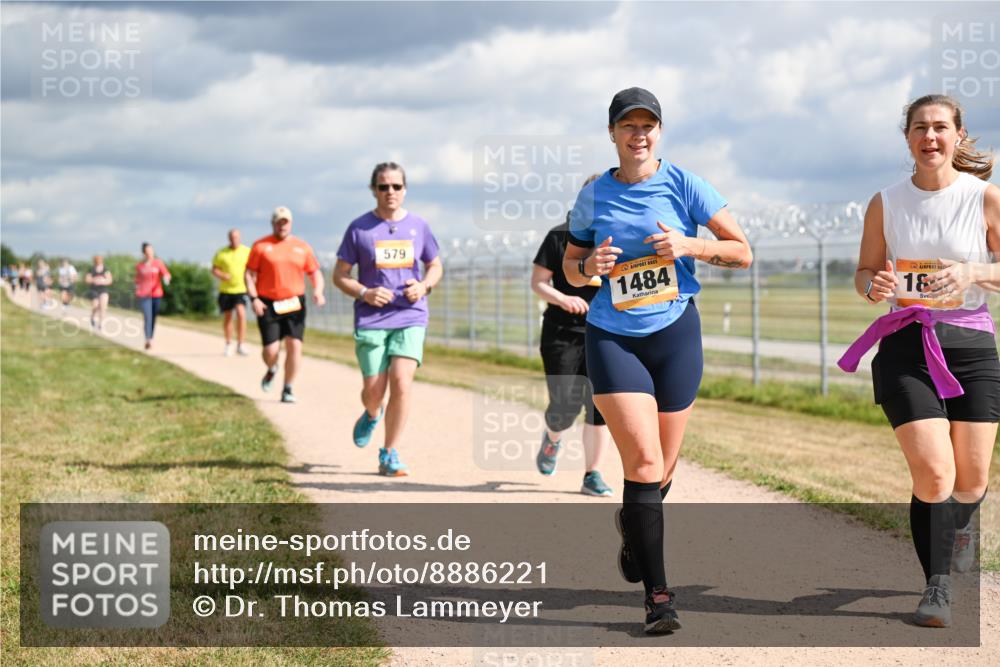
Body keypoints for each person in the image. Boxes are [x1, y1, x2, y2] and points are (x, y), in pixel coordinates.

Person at [562, 87, 752, 634]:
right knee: (642, 466)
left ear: (659, 133)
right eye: (628, 126)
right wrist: (589, 266)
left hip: (675, 334)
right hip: (612, 335)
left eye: (648, 125)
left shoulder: (687, 184)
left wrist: (691, 247)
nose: (638, 134)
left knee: (663, 471)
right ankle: (658, 598)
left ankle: (632, 523)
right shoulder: (594, 194)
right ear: (613, 133)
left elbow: (742, 251)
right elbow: (571, 269)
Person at [838, 94, 999, 628]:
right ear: (907, 137)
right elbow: (863, 272)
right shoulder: (886, 201)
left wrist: (973, 273)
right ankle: (938, 584)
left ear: (957, 135)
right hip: (908, 347)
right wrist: (873, 285)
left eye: (940, 128)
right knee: (936, 475)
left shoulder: (984, 199)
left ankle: (957, 530)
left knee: (971, 482)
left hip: (972, 348)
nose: (930, 137)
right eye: (919, 128)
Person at [333, 162, 442, 477]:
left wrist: (424, 285)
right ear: (373, 190)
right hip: (371, 318)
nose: (390, 192)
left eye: (396, 186)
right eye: (384, 187)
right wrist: (365, 292)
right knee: (374, 390)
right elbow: (340, 275)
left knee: (401, 382)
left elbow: (435, 265)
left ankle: (389, 452)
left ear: (405, 189)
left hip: (410, 314)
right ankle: (371, 413)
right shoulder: (359, 229)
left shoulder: (419, 226)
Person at [532, 175, 614, 497]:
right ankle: (553, 438)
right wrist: (563, 298)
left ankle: (592, 474)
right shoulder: (559, 236)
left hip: (606, 332)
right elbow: (538, 281)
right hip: (562, 331)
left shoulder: (615, 238)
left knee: (600, 406)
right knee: (564, 405)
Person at [245, 206, 325, 404]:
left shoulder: (302, 247)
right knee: (271, 351)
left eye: (285, 222)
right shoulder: (260, 246)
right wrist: (254, 298)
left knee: (294, 346)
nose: (282, 226)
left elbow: (314, 272)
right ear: (273, 223)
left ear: (290, 223)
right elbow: (249, 274)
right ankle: (272, 368)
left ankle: (288, 387)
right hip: (267, 303)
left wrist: (318, 291)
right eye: (279, 222)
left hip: (294, 302)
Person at [212, 228, 251, 356]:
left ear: (240, 238)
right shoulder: (221, 253)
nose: (234, 239)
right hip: (226, 290)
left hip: (241, 289)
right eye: (232, 237)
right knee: (228, 317)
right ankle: (228, 343)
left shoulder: (247, 251)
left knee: (241, 314)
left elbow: (253, 269)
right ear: (229, 238)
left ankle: (241, 344)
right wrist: (222, 275)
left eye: (236, 237)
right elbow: (214, 269)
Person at [135, 243, 171, 350]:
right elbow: (137, 280)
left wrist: (166, 278)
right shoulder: (140, 266)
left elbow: (166, 274)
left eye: (151, 250)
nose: (150, 253)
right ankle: (148, 340)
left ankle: (151, 337)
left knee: (153, 317)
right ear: (144, 253)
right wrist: (137, 289)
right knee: (147, 316)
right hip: (144, 295)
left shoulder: (158, 263)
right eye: (147, 251)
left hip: (156, 294)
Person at [85, 255, 113, 331]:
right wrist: (94, 280)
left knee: (103, 307)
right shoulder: (91, 269)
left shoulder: (105, 269)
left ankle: (101, 324)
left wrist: (102, 281)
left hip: (103, 290)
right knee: (95, 306)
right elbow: (87, 280)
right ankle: (92, 317)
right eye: (97, 260)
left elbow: (110, 280)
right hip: (94, 290)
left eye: (100, 260)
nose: (98, 262)